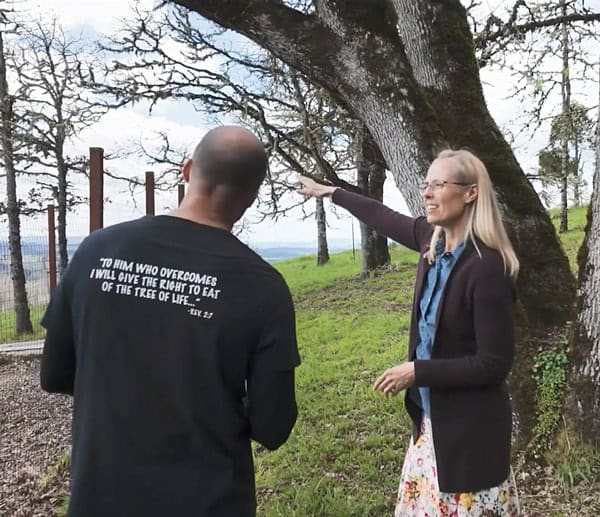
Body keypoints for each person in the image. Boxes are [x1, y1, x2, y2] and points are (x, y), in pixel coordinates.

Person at [41, 125, 300, 517]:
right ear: (252, 196)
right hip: (211, 501)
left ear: (187, 170)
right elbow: (273, 425)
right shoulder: (265, 287)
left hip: (101, 496)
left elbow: (55, 374)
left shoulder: (98, 250)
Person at [298, 149, 521, 516]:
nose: (428, 193)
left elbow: (494, 364)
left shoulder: (487, 267)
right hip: (432, 429)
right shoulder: (430, 243)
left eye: (439, 184)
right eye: (426, 184)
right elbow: (381, 216)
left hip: (469, 436)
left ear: (471, 193)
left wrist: (417, 371)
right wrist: (330, 193)